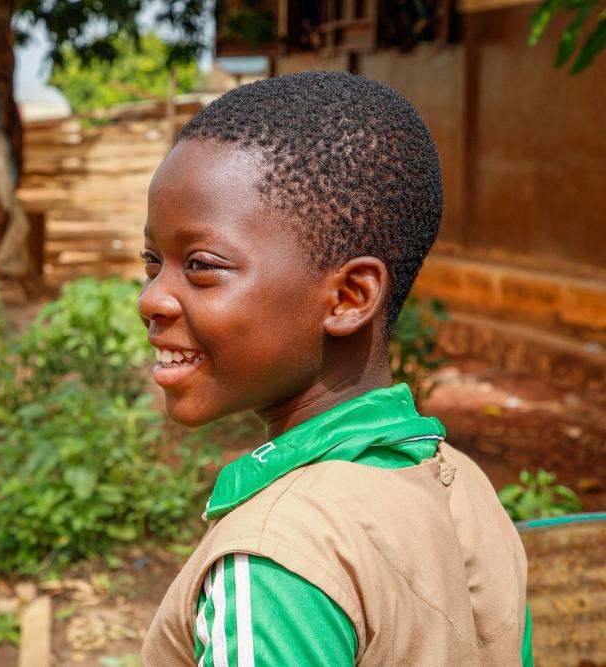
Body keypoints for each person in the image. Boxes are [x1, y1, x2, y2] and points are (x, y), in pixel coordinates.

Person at [138, 71, 533, 666]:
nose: (152, 298)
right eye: (152, 261)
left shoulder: (276, 557)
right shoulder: (462, 487)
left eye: (201, 265)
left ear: (348, 297)